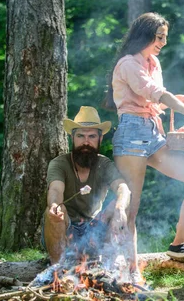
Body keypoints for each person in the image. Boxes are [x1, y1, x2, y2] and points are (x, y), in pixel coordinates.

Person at [103, 12, 184, 270]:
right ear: (145, 35)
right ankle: (129, 273)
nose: (163, 42)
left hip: (153, 132)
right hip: (131, 133)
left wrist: (182, 102)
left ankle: (178, 245)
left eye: (165, 38)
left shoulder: (153, 63)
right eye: (159, 37)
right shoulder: (128, 63)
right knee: (129, 209)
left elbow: (157, 98)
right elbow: (156, 93)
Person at [43, 106, 131, 266]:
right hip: (66, 229)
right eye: (81, 136)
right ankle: (58, 270)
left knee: (121, 204)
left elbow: (123, 187)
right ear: (72, 137)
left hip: (95, 231)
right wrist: (54, 205)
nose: (86, 142)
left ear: (100, 138)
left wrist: (120, 208)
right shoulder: (59, 164)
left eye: (91, 136)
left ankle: (110, 267)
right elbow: (55, 189)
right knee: (55, 211)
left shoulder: (104, 164)